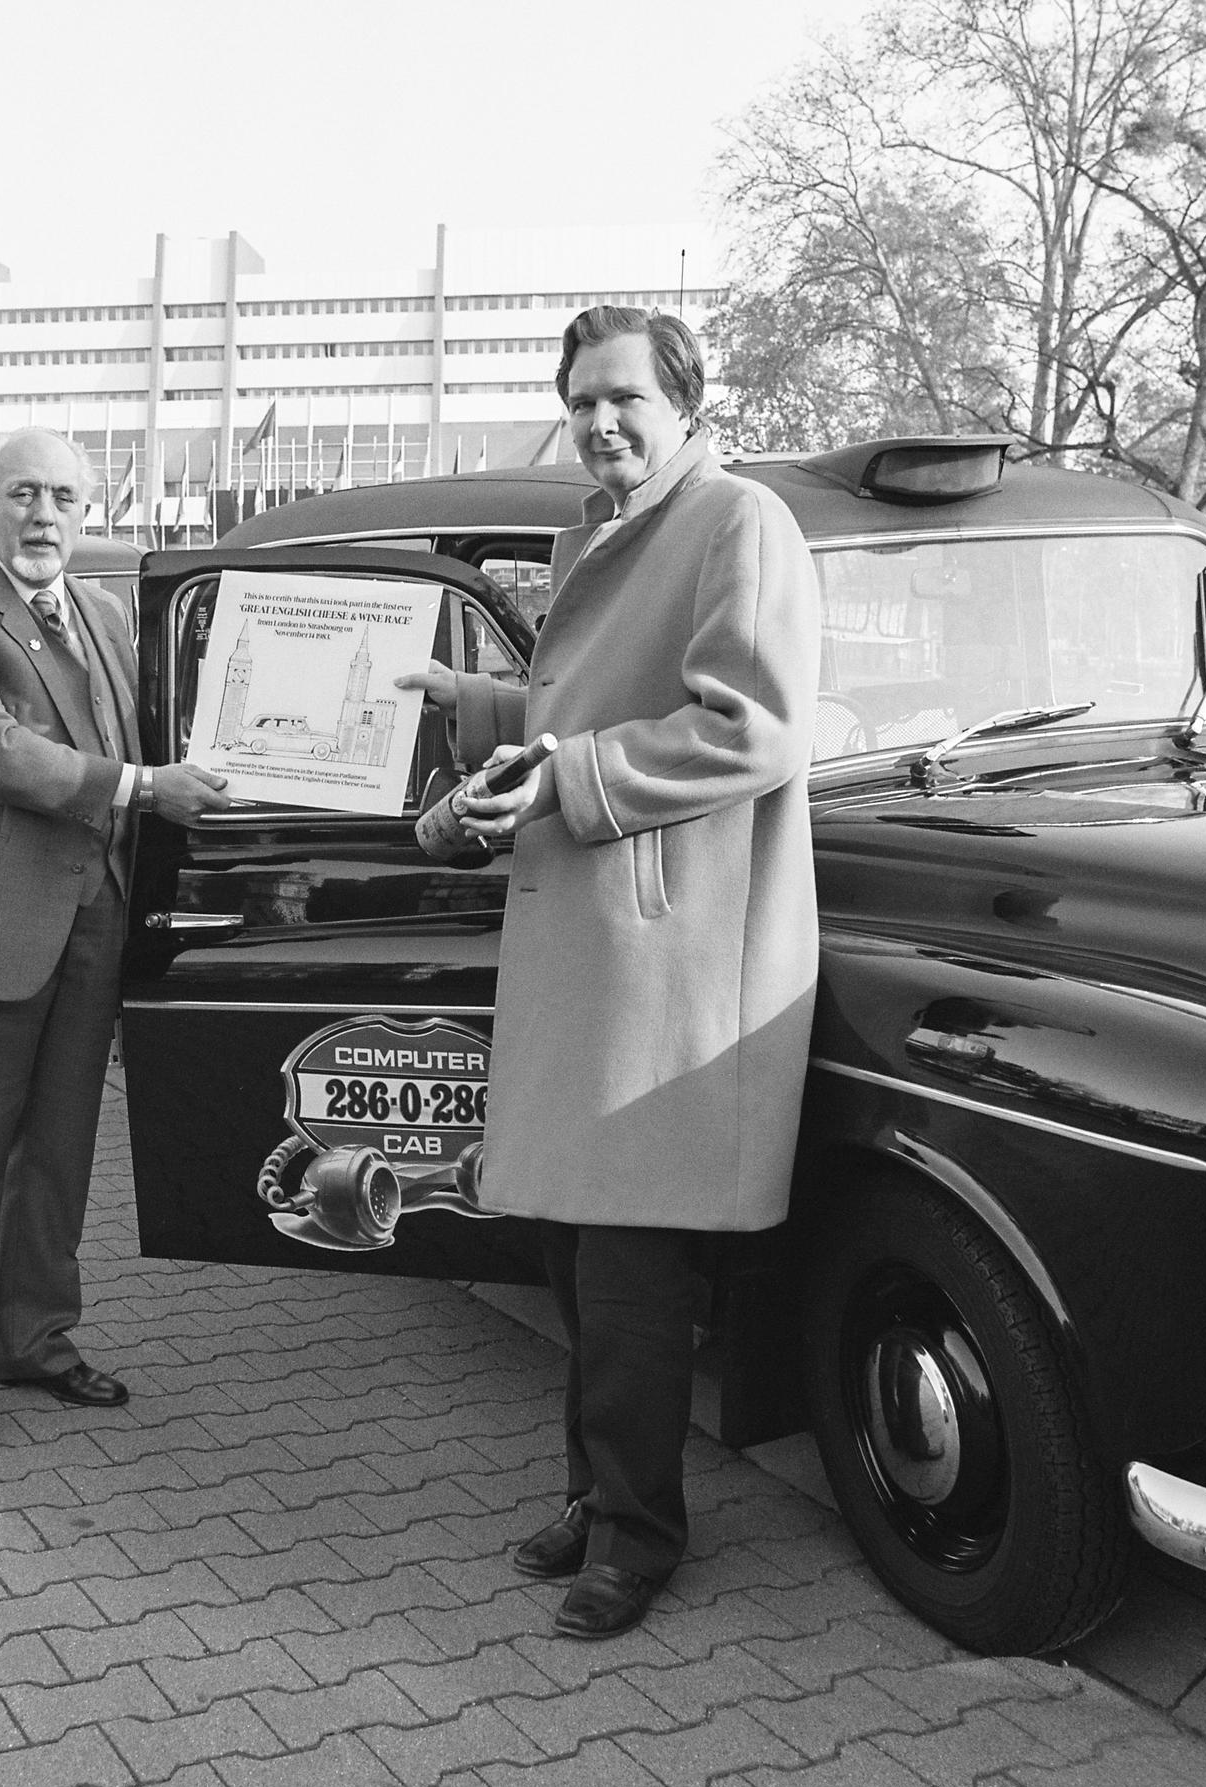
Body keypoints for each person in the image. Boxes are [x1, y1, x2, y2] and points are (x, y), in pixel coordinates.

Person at [399, 307, 821, 1637]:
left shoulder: (739, 521)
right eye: (582, 401)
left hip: (661, 958)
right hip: (597, 945)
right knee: (583, 1265)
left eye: (625, 397)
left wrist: (567, 777)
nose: (602, 422)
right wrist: (477, 710)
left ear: (687, 402)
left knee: (632, 1278)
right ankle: (601, 1496)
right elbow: (585, 705)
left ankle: (640, 1536)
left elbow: (754, 730)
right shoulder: (602, 528)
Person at [0, 427, 228, 1453]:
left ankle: (37, 1337)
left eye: (65, 498)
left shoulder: (108, 611)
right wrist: (138, 788)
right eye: (22, 493)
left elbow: (146, 740)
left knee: (58, 1156)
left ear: (89, 511)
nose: (44, 516)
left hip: (92, 914)